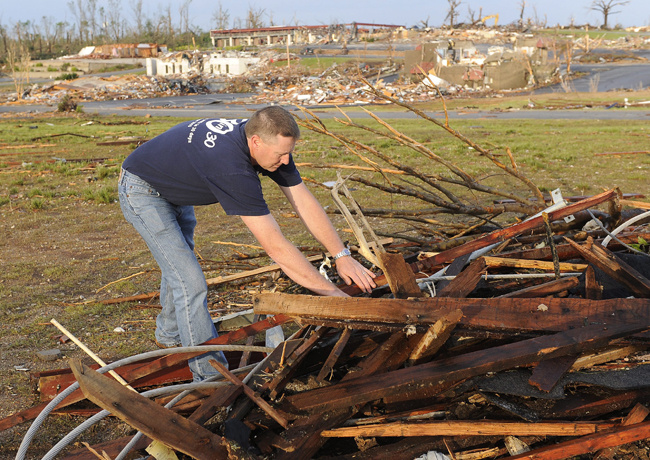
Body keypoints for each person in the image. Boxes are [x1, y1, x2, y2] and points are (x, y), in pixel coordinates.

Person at [118, 106, 376, 381]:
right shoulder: (231, 167)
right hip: (144, 190)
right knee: (189, 281)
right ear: (256, 142)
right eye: (281, 154)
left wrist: (341, 254)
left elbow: (302, 200)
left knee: (179, 265)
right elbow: (276, 246)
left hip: (174, 186)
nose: (287, 160)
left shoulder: (266, 139)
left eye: (290, 152)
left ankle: (169, 334)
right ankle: (209, 378)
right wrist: (334, 297)